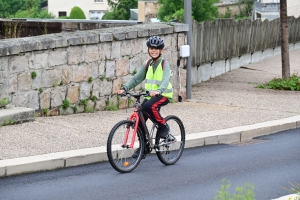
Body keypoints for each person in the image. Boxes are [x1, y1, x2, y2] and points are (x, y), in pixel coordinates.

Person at [117, 36, 174, 158]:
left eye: (156, 49)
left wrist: (159, 90)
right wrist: (125, 88)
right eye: (151, 48)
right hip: (150, 96)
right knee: (140, 118)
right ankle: (144, 146)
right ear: (148, 49)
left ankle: (163, 125)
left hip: (163, 94)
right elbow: (136, 78)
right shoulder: (147, 63)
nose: (153, 51)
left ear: (161, 51)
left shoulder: (165, 64)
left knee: (149, 106)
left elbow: (165, 80)